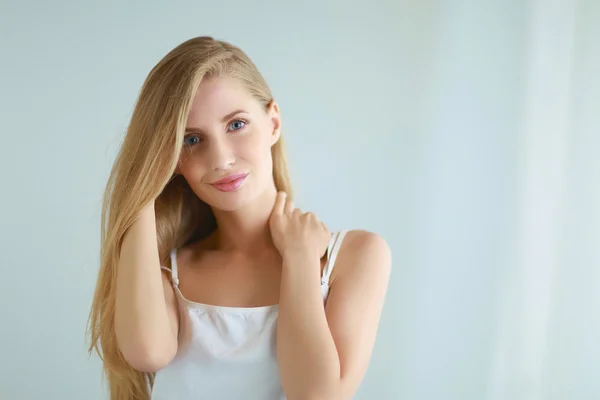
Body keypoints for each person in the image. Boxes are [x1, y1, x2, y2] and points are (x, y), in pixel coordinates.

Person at [87, 35, 391, 400]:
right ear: (171, 161)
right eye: (191, 140)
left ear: (273, 122)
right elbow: (147, 353)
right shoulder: (168, 272)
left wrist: (299, 258)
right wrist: (139, 186)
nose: (221, 159)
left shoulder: (354, 256)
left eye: (236, 125)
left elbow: (314, 395)